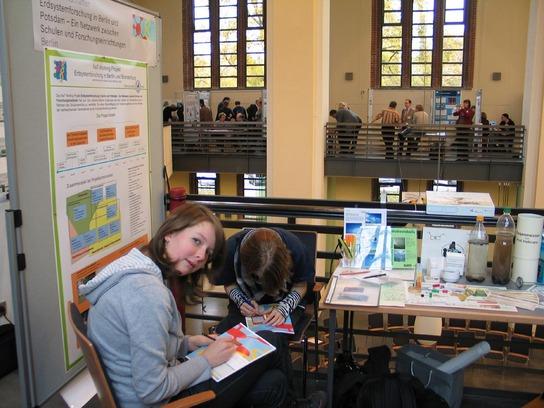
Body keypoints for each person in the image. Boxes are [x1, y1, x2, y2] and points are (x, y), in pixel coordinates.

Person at [79, 203, 290, 408]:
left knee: (274, 381)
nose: (200, 256)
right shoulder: (147, 294)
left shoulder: (132, 267)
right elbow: (152, 391)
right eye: (196, 241)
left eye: (208, 253)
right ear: (170, 233)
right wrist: (206, 360)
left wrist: (186, 343)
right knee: (273, 348)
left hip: (135, 393)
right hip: (161, 400)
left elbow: (137, 343)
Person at [212, 227, 325, 406]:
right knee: (231, 336)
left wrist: (284, 308)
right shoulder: (230, 250)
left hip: (286, 301)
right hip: (246, 304)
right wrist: (241, 301)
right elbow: (229, 283)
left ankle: (284, 399)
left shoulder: (296, 249)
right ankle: (261, 394)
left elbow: (301, 286)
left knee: (274, 336)